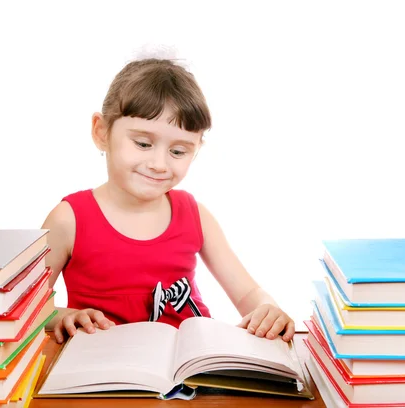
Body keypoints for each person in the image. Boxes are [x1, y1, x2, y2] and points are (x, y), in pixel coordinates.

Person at [42, 57, 295, 344]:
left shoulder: (194, 214)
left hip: (190, 371)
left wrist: (268, 310)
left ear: (197, 149)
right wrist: (63, 316)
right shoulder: (68, 219)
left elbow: (248, 294)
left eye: (178, 151)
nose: (159, 164)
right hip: (105, 376)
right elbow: (27, 310)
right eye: (143, 144)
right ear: (101, 132)